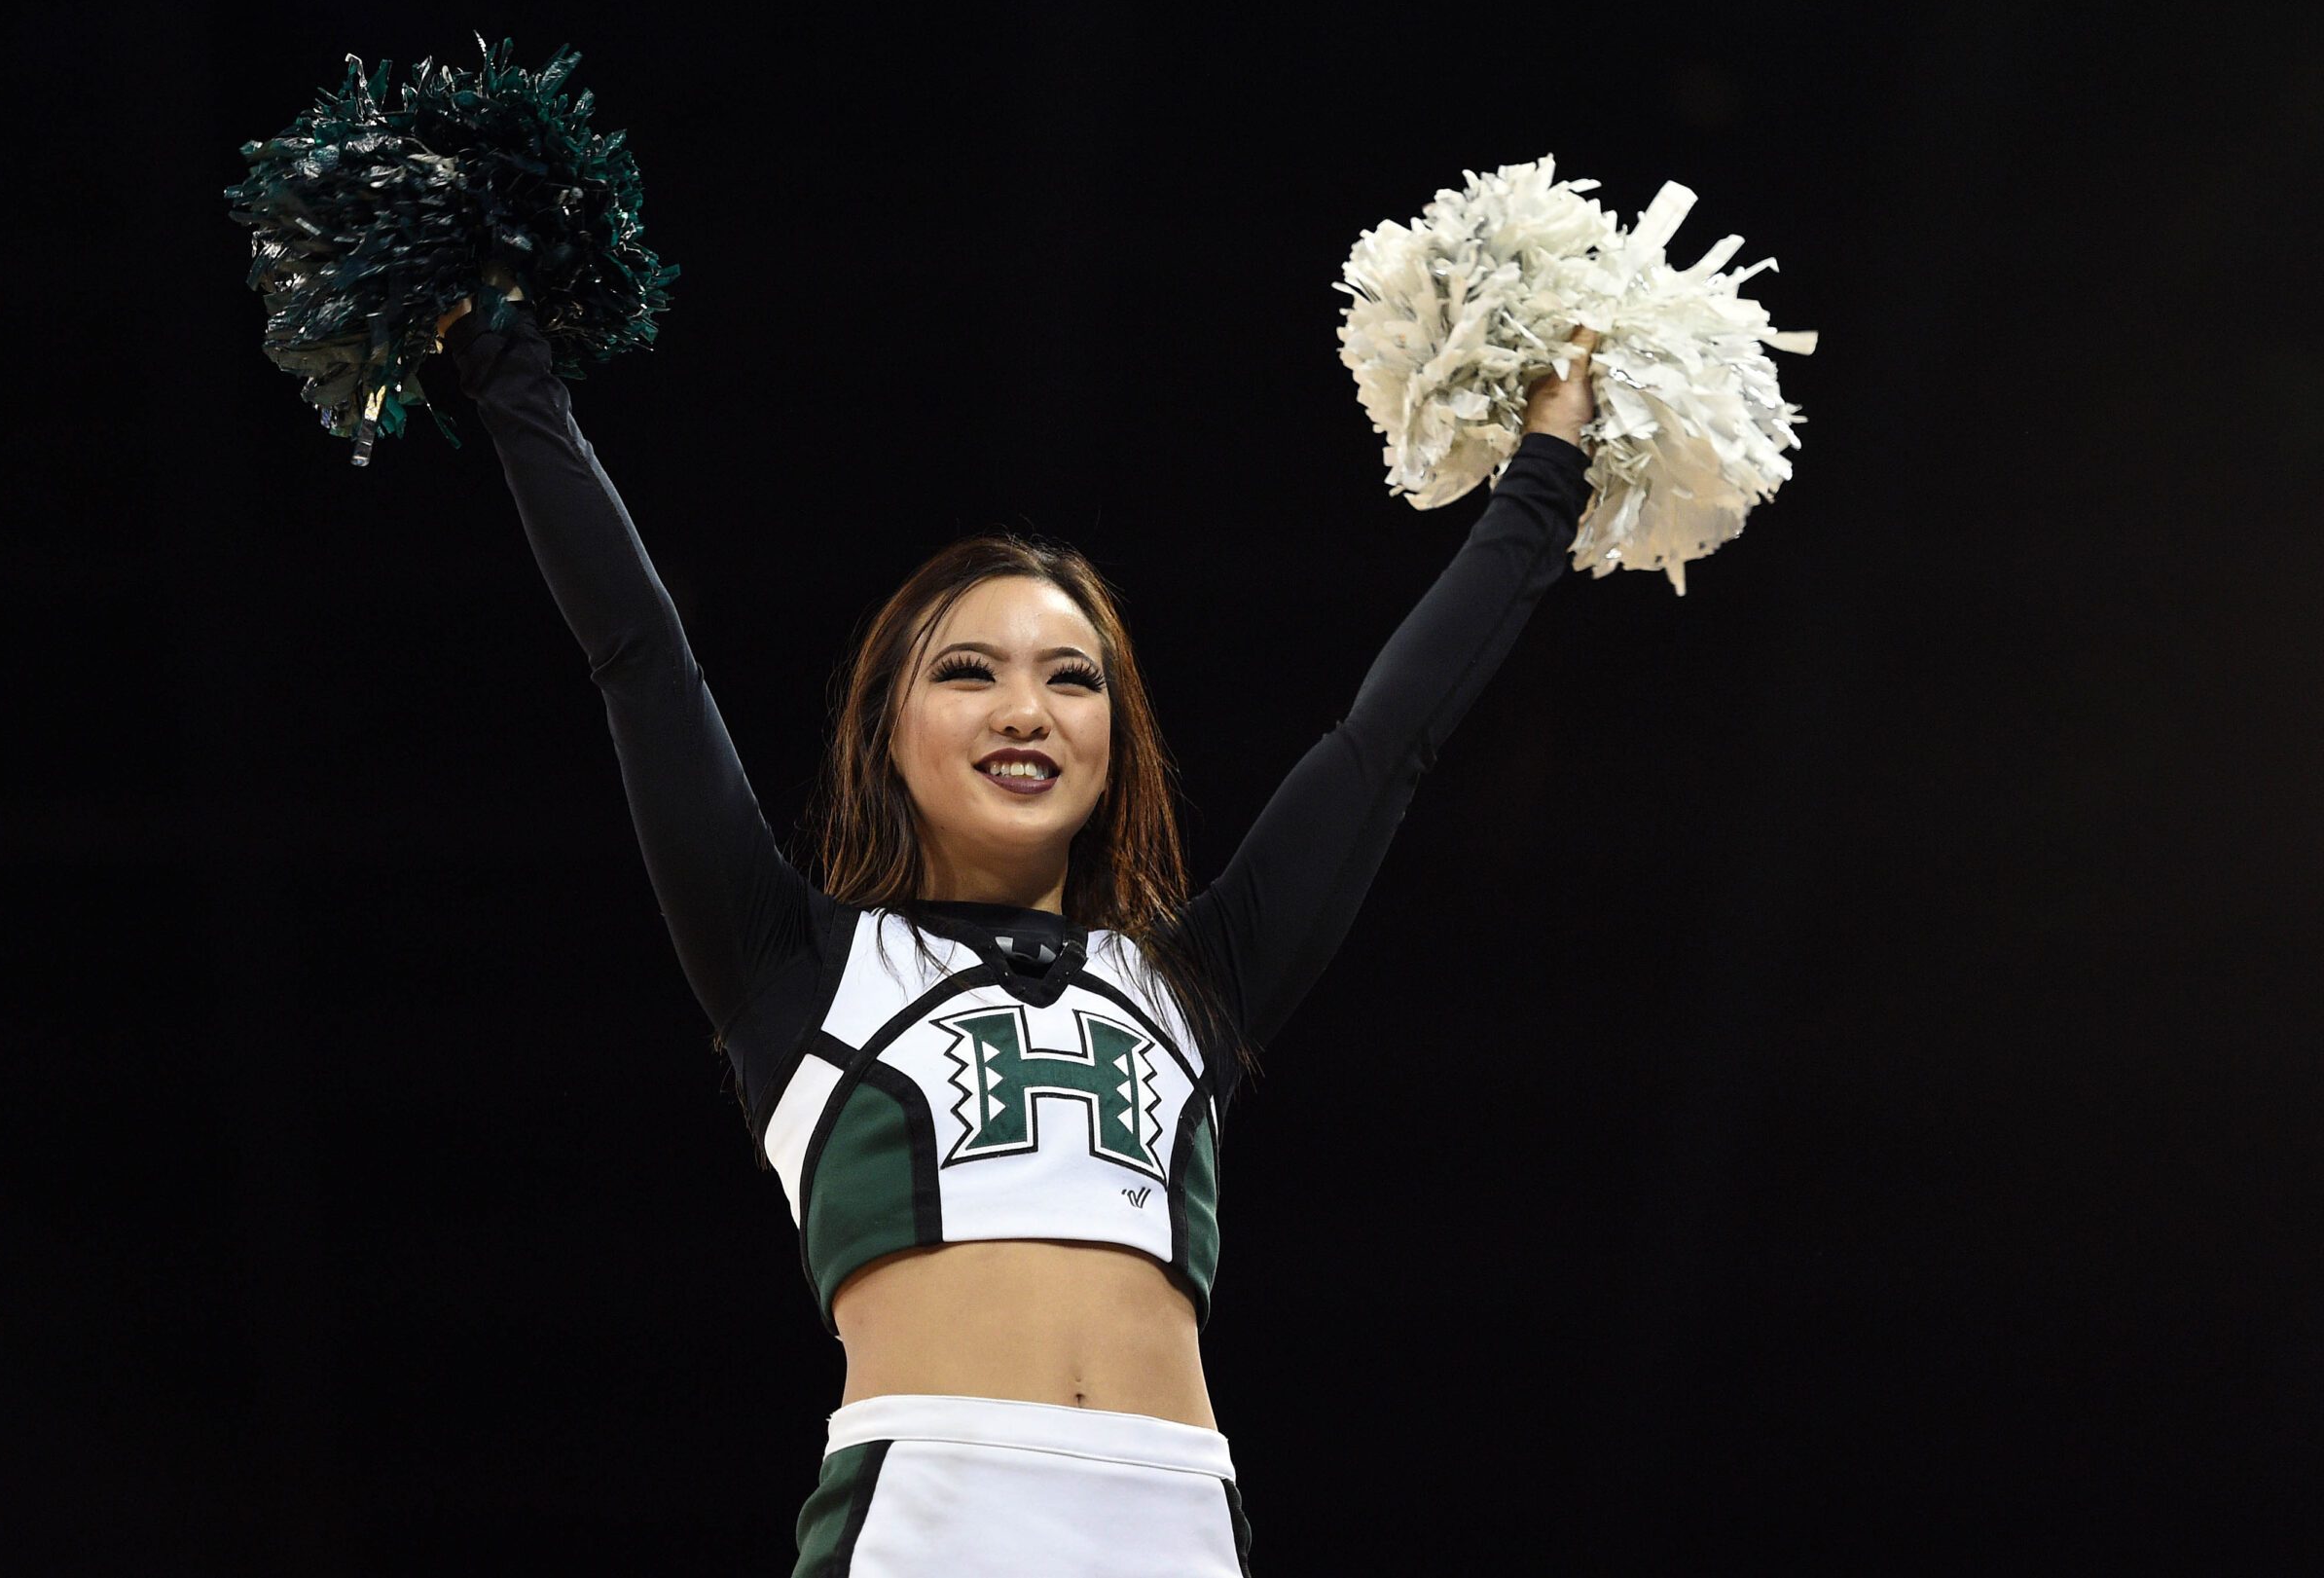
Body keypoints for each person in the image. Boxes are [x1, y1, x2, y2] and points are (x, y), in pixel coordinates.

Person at [429, 284, 1598, 1575]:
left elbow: (1392, 739)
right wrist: (504, 360)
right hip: (931, 1510)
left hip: (1179, 1518)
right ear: (888, 728)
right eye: (968, 669)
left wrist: (1547, 468)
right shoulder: (797, 968)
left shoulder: (1194, 980)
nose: (1025, 709)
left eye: (1071, 675)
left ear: (1115, 738)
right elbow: (641, 656)